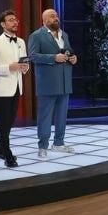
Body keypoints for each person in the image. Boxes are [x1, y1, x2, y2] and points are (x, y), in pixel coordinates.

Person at [28, 9, 77, 158]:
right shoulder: (37, 35)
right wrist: (53, 58)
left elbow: (68, 52)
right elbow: (33, 56)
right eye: (52, 16)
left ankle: (58, 143)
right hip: (47, 83)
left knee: (62, 116)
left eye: (56, 16)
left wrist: (73, 58)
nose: (56, 18)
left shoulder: (64, 35)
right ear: (44, 20)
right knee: (45, 116)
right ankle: (42, 146)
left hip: (64, 82)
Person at [0, 9, 29, 167]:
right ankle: (7, 155)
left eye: (15, 20)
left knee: (8, 123)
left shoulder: (21, 42)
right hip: (1, 90)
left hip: (16, 88)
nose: (15, 22)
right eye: (11, 20)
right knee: (3, 123)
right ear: (3, 24)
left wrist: (25, 68)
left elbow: (23, 63)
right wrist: (9, 67)